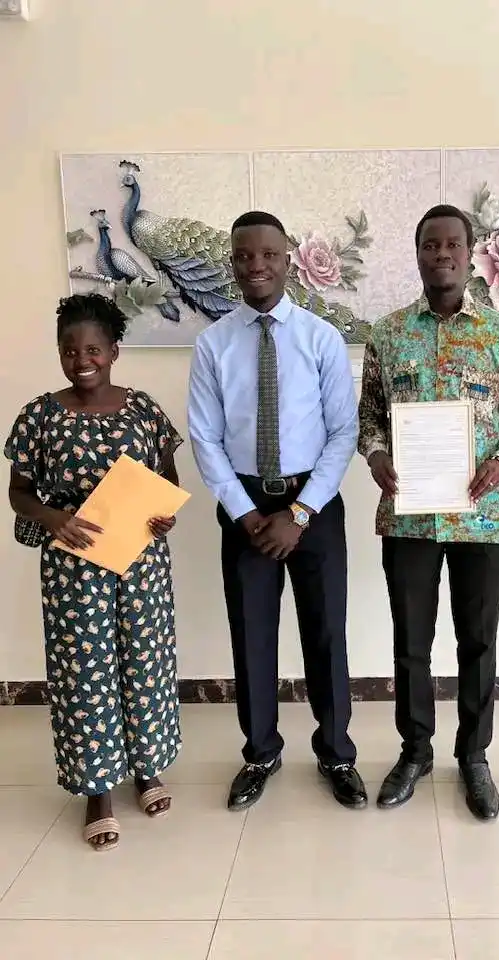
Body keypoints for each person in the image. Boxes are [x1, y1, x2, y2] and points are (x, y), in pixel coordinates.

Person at [358, 204, 499, 820]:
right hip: (409, 515)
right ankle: (414, 752)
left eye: (453, 245)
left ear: (469, 253)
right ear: (417, 255)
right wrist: (378, 457)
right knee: (411, 643)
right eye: (430, 245)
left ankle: (474, 756)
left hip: (480, 515)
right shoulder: (386, 335)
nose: (442, 254)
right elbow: (368, 420)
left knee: (478, 641)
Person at [187, 210, 366, 811]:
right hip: (245, 507)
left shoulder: (320, 337)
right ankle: (260, 751)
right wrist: (244, 513)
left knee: (326, 633)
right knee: (252, 637)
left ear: (288, 257)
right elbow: (204, 437)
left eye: (267, 253)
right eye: (243, 255)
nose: (255, 265)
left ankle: (336, 752)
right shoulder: (213, 343)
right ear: (232, 262)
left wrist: (301, 513)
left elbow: (344, 431)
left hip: (312, 505)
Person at [5, 293, 183, 851]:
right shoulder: (39, 415)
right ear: (59, 353)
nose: (82, 359)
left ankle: (147, 768)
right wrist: (53, 516)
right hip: (72, 567)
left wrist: (162, 517)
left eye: (93, 349)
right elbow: (18, 493)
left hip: (141, 563)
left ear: (114, 351)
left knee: (145, 664)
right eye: (69, 350)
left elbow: (168, 477)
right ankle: (97, 791)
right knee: (86, 675)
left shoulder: (145, 410)